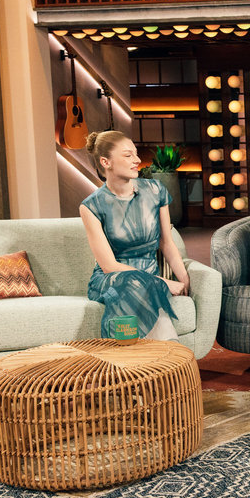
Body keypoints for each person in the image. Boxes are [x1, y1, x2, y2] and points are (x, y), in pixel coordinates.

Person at [80, 131, 189, 343]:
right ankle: (168, 349)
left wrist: (184, 279)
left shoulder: (155, 191)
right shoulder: (91, 206)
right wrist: (162, 282)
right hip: (112, 279)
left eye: (136, 154)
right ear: (106, 162)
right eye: (128, 155)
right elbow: (109, 266)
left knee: (140, 287)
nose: (137, 160)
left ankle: (127, 356)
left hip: (148, 278)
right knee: (134, 284)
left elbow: (167, 243)